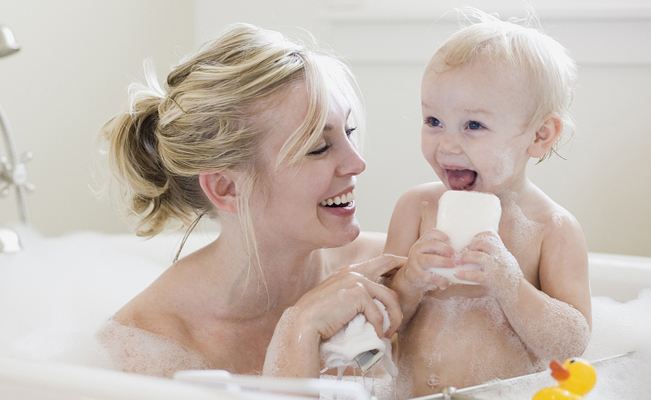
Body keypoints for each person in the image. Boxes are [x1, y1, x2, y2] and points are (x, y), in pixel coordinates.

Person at [97, 23, 404, 381]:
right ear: (226, 188)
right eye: (318, 148)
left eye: (349, 132)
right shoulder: (145, 349)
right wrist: (299, 330)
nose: (357, 163)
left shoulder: (394, 273)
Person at [384, 10, 592, 397]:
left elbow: (570, 345)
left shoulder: (552, 229)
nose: (447, 144)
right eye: (433, 121)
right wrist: (409, 281)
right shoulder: (416, 209)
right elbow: (378, 321)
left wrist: (510, 285)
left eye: (473, 125)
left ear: (540, 135)